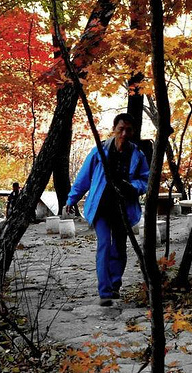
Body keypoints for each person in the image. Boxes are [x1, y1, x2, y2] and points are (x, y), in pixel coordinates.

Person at [64, 113, 150, 307]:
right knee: (104, 244)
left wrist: (133, 186)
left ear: (133, 131)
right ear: (114, 129)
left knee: (119, 246)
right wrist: (72, 199)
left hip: (124, 208)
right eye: (121, 129)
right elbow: (83, 178)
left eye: (129, 129)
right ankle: (104, 291)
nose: (125, 133)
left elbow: (146, 180)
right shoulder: (100, 151)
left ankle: (115, 285)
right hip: (101, 206)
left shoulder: (138, 154)